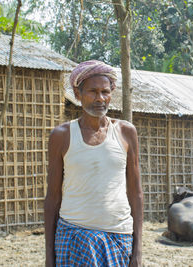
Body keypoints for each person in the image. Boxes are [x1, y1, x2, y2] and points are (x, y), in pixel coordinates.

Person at [45, 60, 143, 267]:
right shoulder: (61, 136)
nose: (100, 98)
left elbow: (136, 193)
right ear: (78, 94)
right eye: (92, 91)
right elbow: (53, 196)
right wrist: (49, 255)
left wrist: (138, 251)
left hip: (118, 236)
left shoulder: (126, 132)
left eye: (105, 92)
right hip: (73, 236)